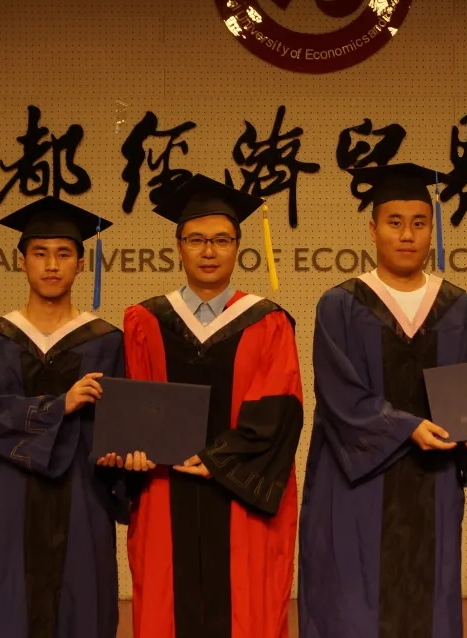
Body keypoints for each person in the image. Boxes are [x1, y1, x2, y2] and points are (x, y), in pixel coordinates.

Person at [105, 174, 303, 638]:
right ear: (178, 247)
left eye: (221, 240)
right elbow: (133, 404)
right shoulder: (145, 321)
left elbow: (280, 409)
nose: (208, 251)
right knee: (167, 605)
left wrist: (217, 459)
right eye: (196, 240)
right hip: (163, 492)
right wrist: (129, 453)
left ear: (238, 248)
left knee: (244, 609)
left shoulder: (269, 322)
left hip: (239, 503)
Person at [298, 163, 467, 638]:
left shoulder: (458, 306)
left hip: (433, 481)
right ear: (373, 228)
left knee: (429, 598)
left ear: (432, 230)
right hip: (356, 483)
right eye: (394, 222)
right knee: (351, 607)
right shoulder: (341, 304)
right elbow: (338, 394)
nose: (407, 235)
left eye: (419, 223)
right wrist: (408, 427)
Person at [0, 196, 125, 638]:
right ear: (21, 261)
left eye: (63, 254)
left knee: (85, 602)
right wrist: (60, 405)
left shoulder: (107, 341)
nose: (51, 265)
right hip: (11, 493)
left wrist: (125, 461)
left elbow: (120, 425)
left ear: (80, 264)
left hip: (83, 494)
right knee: (13, 600)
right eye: (40, 253)